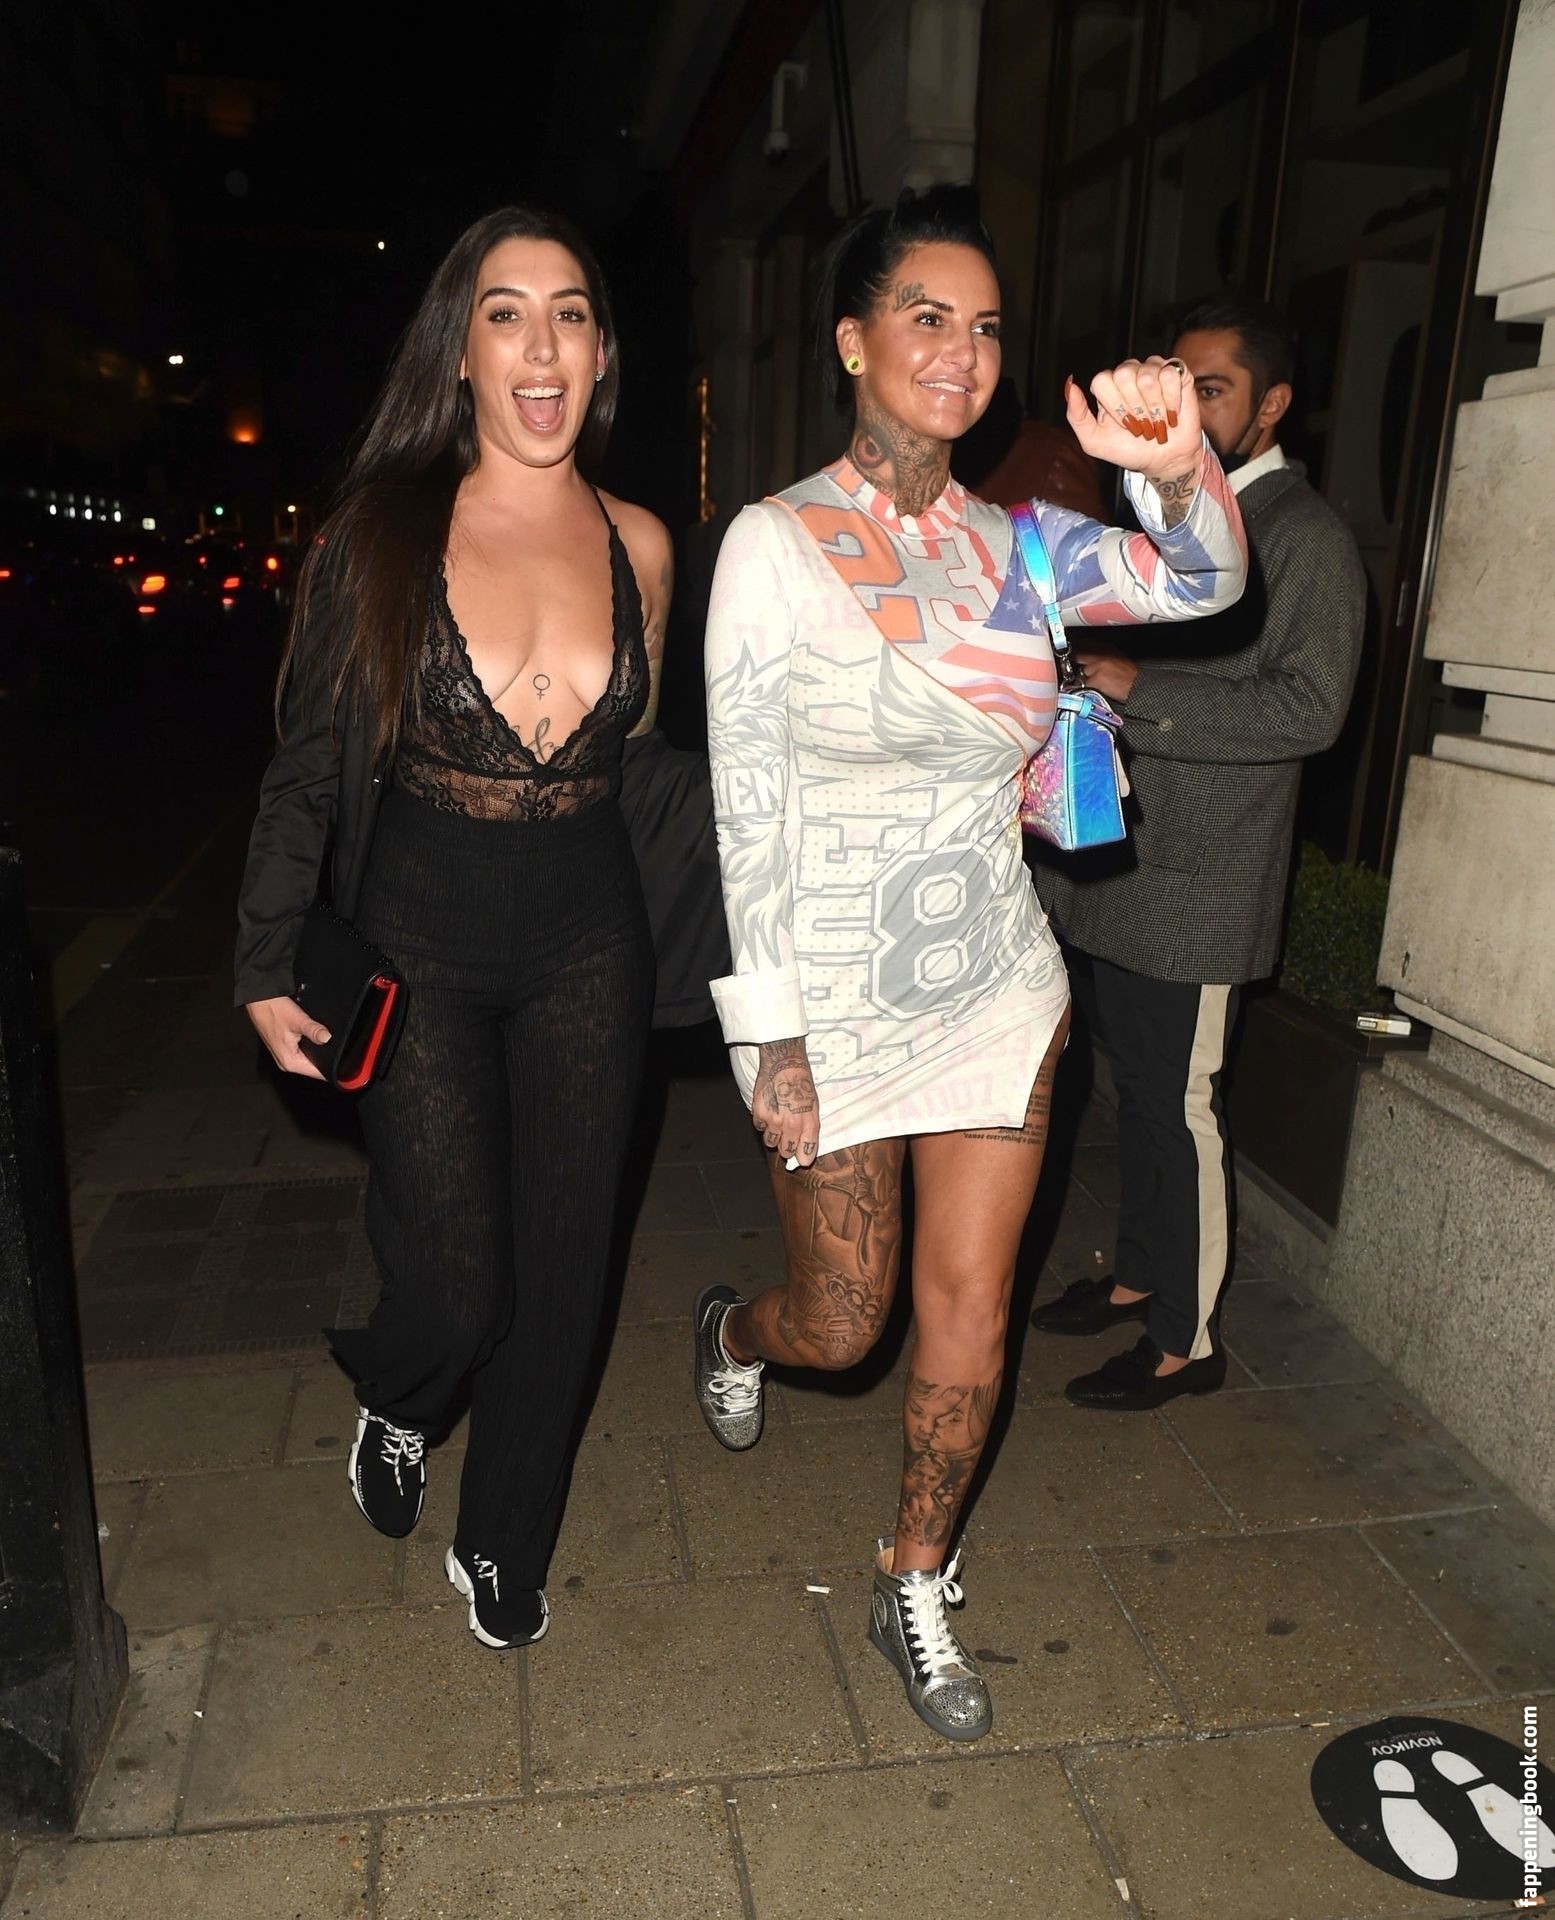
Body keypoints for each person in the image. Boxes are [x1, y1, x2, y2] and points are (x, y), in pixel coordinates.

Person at [693, 186, 1247, 1743]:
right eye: (923, 315)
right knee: (841, 1320)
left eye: (984, 325)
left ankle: (913, 1576)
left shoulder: (1023, 547)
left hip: (995, 984)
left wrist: (1171, 468)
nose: (958, 349)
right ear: (852, 341)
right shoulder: (773, 545)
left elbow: (1203, 582)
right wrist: (766, 1033)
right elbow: (744, 806)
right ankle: (731, 1331)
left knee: (966, 1310)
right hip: (828, 996)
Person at [235, 206, 672, 1651]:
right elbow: (308, 763)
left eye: (569, 313)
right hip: (419, 926)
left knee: (568, 1263)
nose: (541, 347)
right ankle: (401, 1395)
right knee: (458, 1274)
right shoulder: (378, 534)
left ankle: (505, 1537)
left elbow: (643, 763)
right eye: (505, 313)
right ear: (461, 352)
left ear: (600, 354)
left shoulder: (641, 545)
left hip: (588, 933)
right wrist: (262, 955)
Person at [1031, 296, 1365, 1410]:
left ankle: (1187, 1340)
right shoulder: (1161, 507)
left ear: (1271, 405)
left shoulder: (1304, 536)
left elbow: (1311, 709)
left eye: (1210, 387)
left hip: (1201, 878)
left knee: (1179, 1104)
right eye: (1175, 381)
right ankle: (1138, 1276)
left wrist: (1141, 687)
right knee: (1134, 1090)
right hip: (1120, 852)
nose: (1180, 404)